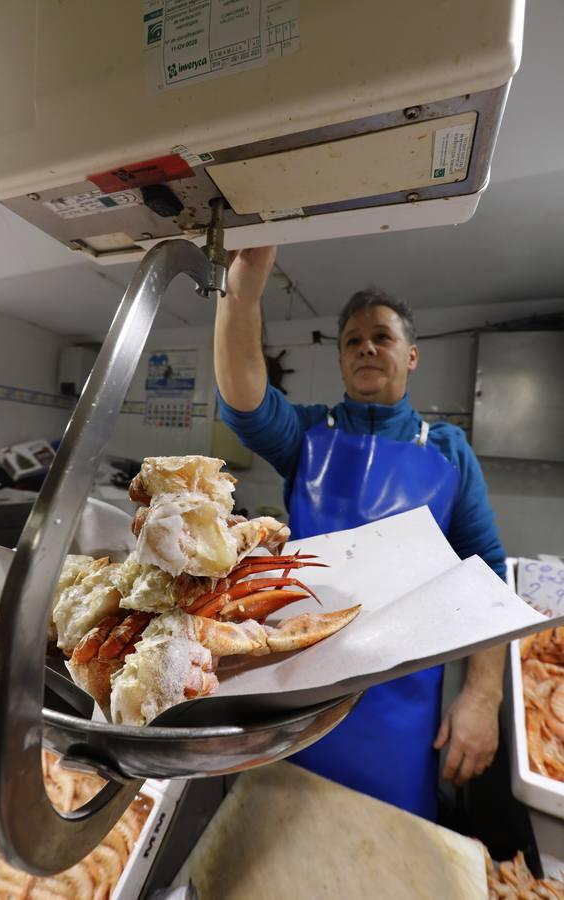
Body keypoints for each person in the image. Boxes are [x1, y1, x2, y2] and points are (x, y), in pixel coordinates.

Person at [214, 246, 507, 822]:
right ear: (342, 361)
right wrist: (241, 295)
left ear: (411, 356)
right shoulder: (307, 434)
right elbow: (245, 406)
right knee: (281, 830)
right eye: (352, 340)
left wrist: (483, 694)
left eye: (382, 337)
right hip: (295, 686)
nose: (366, 347)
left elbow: (488, 572)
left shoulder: (448, 451)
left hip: (401, 702)